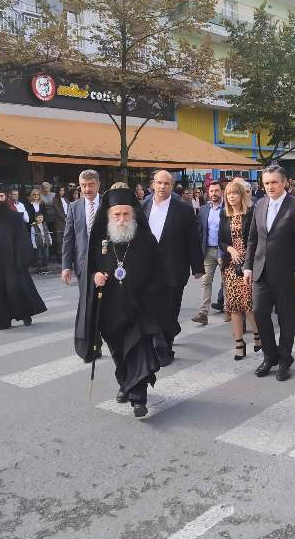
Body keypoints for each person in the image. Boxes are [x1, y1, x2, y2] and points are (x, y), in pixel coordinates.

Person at [78, 188, 174, 417]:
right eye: (117, 215)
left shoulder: (146, 239)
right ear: (108, 216)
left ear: (134, 215)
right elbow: (87, 268)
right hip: (110, 309)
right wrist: (94, 277)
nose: (122, 220)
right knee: (119, 354)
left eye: (126, 215)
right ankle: (124, 383)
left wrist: (148, 295)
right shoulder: (99, 239)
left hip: (139, 308)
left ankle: (138, 398)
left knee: (139, 350)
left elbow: (160, 274)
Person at [244, 165, 295, 381]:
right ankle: (269, 355)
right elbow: (253, 239)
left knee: (286, 320)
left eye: (274, 182)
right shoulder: (260, 204)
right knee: (259, 313)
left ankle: (284, 359)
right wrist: (247, 266)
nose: (270, 186)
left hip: (286, 275)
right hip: (261, 273)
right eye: (266, 183)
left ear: (284, 183)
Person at [143, 170, 204, 364]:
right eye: (159, 183)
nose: (162, 187)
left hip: (174, 268)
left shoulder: (183, 209)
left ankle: (166, 345)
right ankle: (160, 346)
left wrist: (197, 266)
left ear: (172, 185)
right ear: (153, 184)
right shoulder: (143, 205)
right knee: (151, 309)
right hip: (149, 269)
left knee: (170, 310)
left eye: (166, 184)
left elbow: (193, 240)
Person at [0, 184, 46, 330]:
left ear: (6, 197)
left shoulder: (15, 217)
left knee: (18, 290)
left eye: (2, 196)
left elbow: (22, 239)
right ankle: (1, 321)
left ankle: (25, 315)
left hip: (14, 261)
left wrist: (23, 260)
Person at [220, 180, 259, 359]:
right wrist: (230, 249)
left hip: (247, 266)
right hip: (230, 266)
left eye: (235, 193)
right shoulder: (224, 215)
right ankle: (239, 343)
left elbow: (255, 240)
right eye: (228, 194)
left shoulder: (250, 213)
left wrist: (246, 259)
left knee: (249, 304)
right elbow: (221, 240)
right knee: (234, 306)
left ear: (241, 195)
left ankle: (258, 335)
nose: (231, 196)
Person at [62, 170, 101, 345]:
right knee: (88, 305)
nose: (87, 189)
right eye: (84, 185)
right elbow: (68, 238)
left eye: (91, 185)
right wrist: (65, 266)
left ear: (98, 185)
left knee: (107, 305)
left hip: (106, 264)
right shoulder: (74, 206)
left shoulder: (108, 205)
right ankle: (94, 343)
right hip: (83, 265)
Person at [192, 182, 225, 325]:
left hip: (223, 250)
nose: (214, 194)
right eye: (211, 191)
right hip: (208, 250)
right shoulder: (204, 209)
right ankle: (203, 312)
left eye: (216, 191)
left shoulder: (228, 208)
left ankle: (230, 309)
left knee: (227, 282)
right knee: (206, 281)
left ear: (222, 192)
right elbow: (199, 232)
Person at [52, 185, 69, 262]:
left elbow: (69, 208)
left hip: (67, 219)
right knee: (59, 238)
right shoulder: (55, 199)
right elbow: (57, 210)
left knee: (66, 238)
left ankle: (66, 256)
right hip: (59, 220)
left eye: (63, 190)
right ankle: (60, 256)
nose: (62, 192)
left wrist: (68, 218)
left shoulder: (65, 198)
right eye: (60, 190)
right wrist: (64, 218)